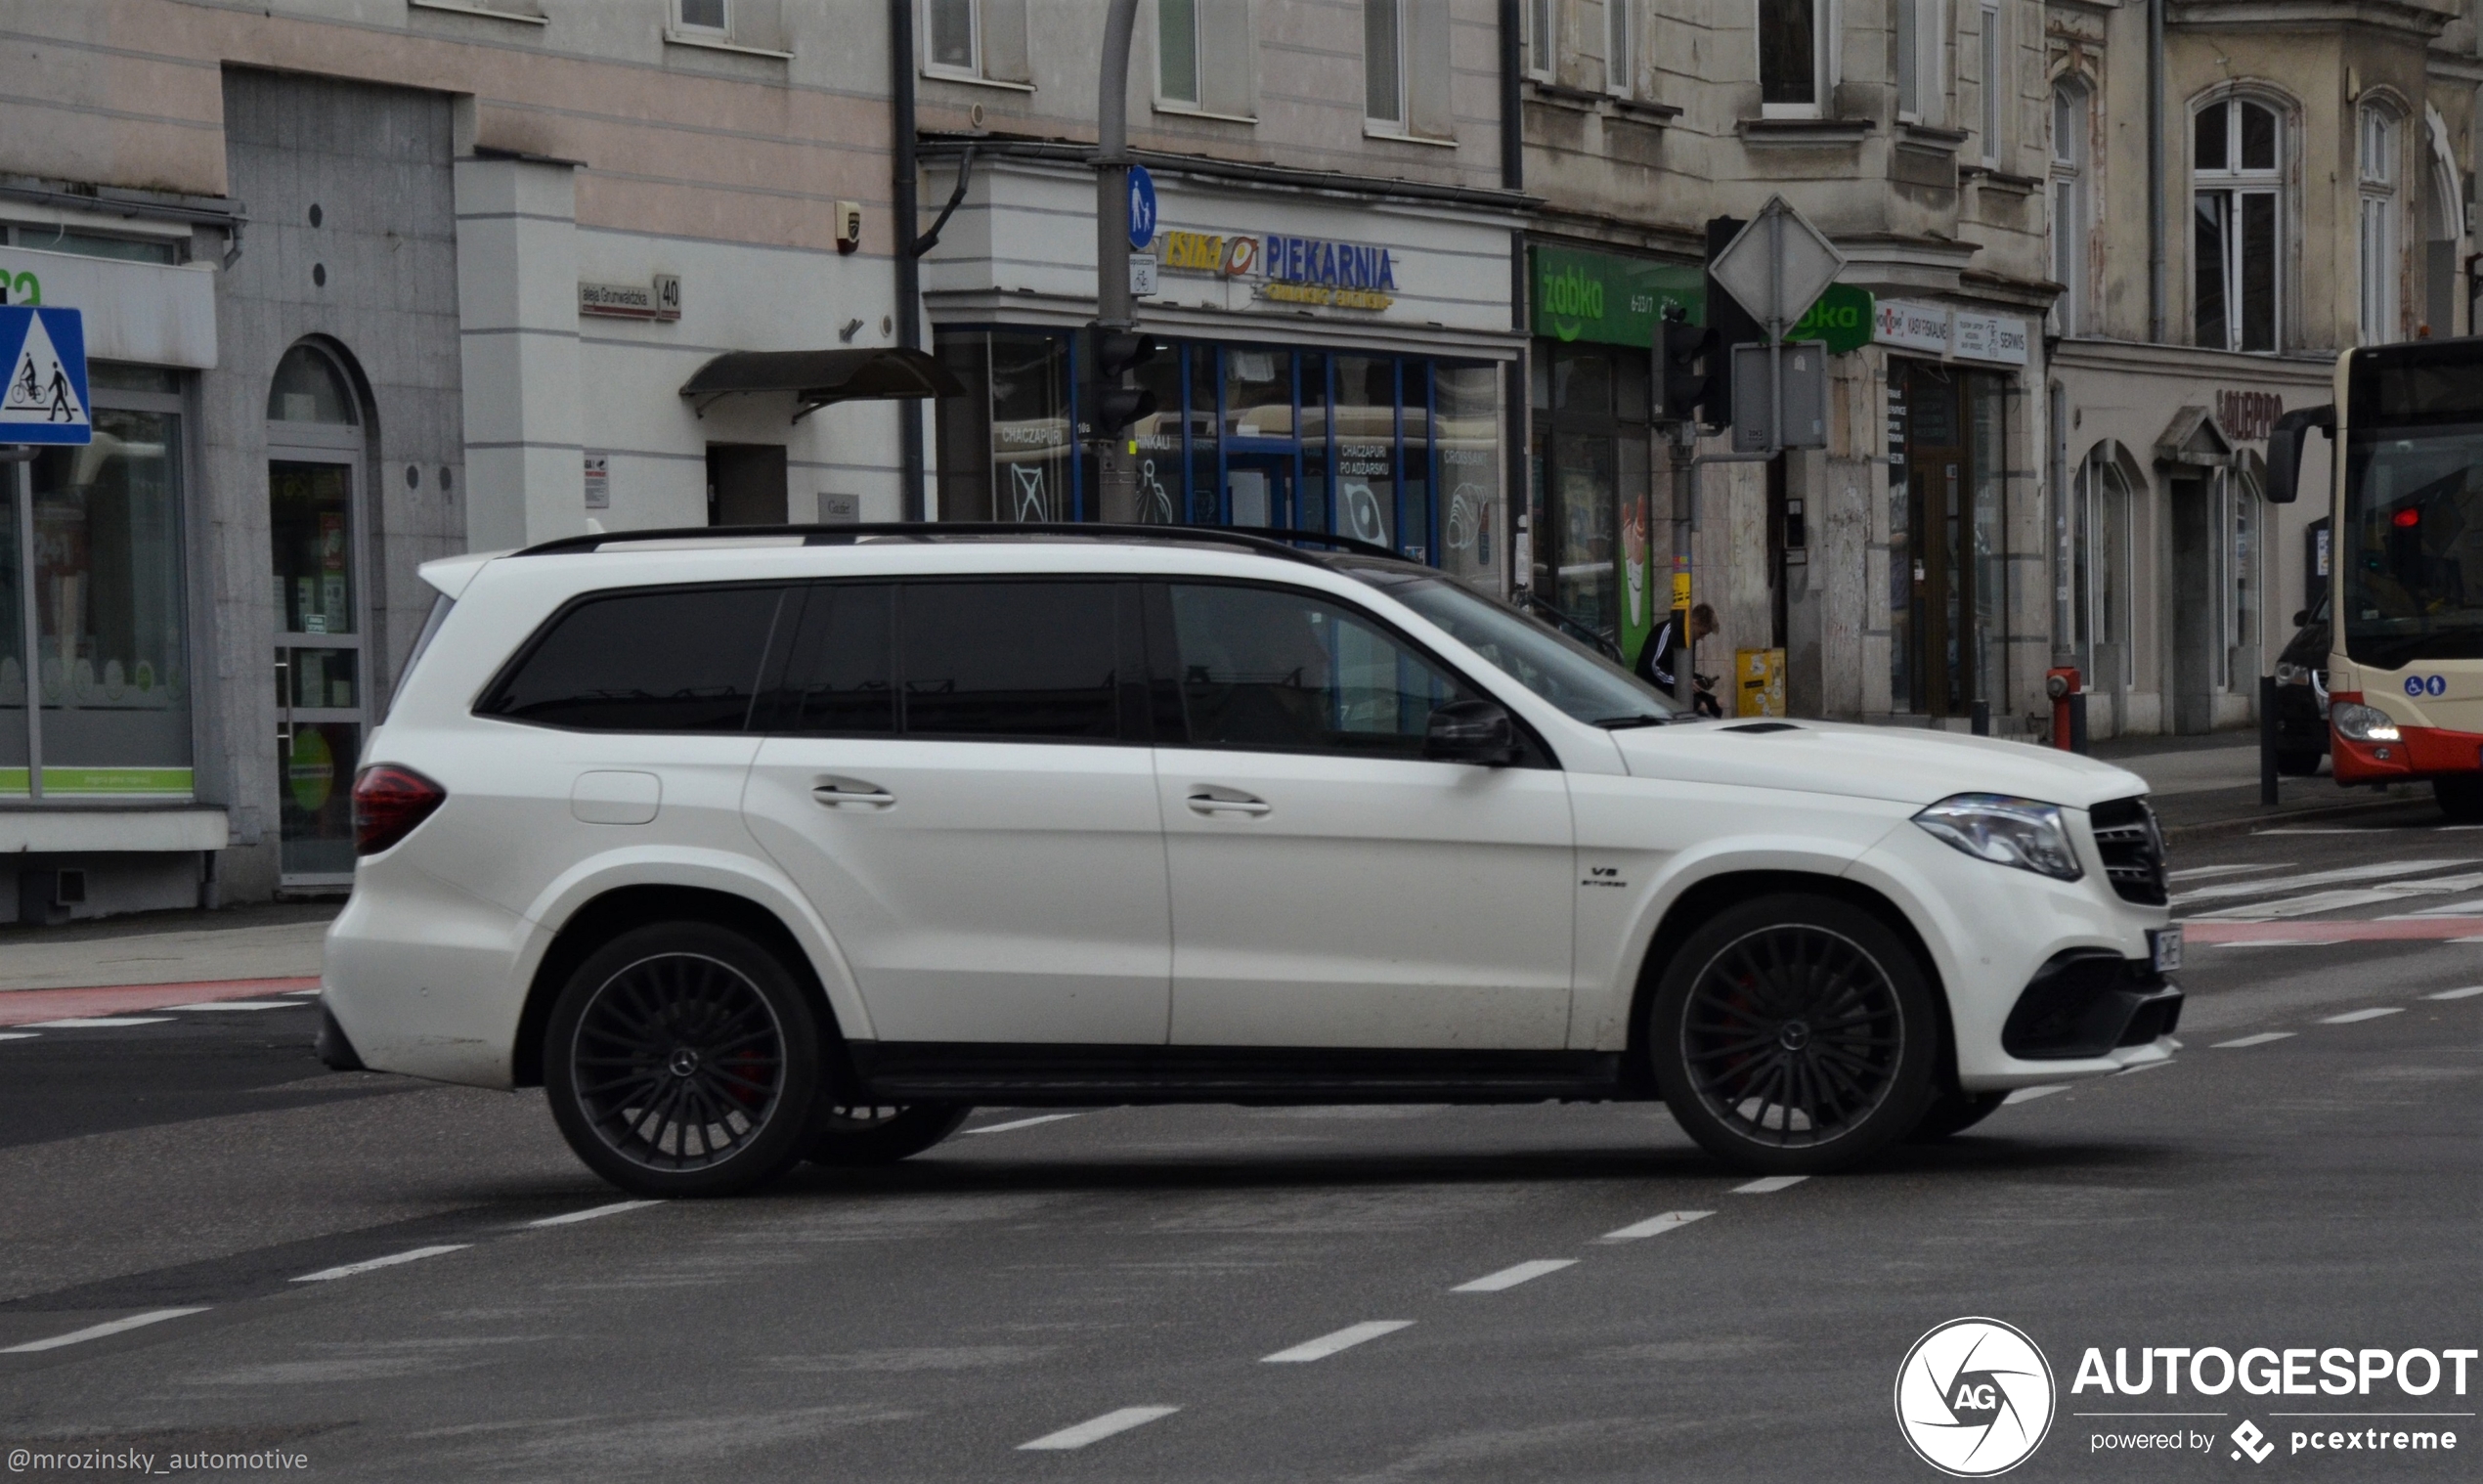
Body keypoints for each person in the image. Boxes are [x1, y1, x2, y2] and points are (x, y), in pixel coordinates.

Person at [1636, 603, 1721, 716]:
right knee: (1700, 706)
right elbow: (1654, 667)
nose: (1702, 638)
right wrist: (1683, 682)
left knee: (1716, 704)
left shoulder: (1691, 637)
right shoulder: (1668, 630)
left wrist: (1700, 680)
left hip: (1672, 685)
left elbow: (1683, 670)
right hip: (1653, 685)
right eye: (1701, 633)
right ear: (1694, 622)